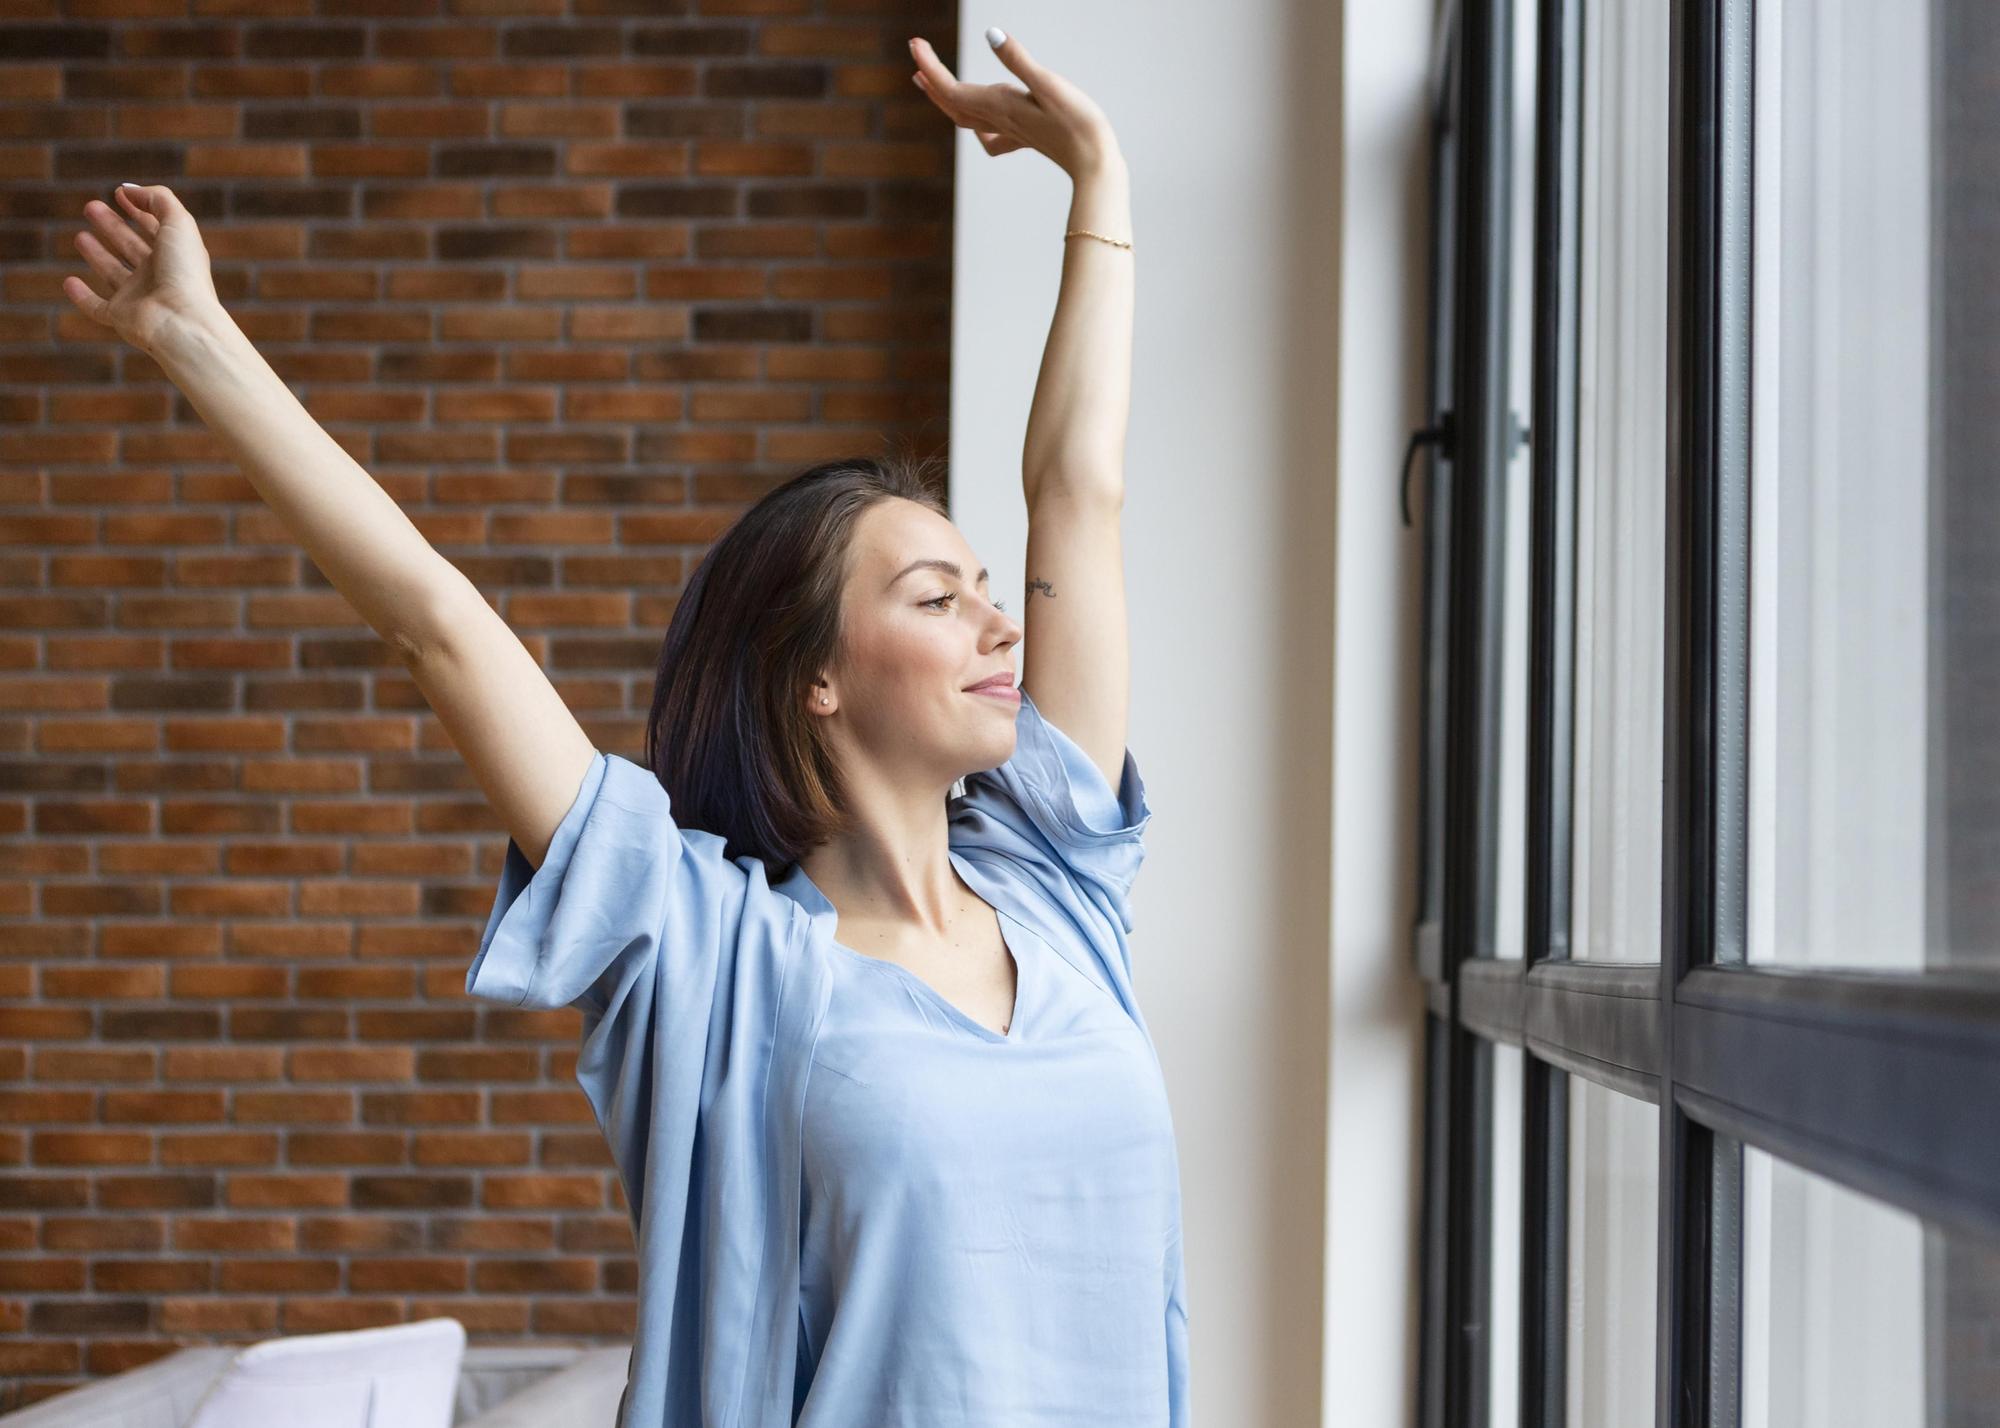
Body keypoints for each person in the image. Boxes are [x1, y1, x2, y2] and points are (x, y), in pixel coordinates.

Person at [64, 25, 1188, 1427]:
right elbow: (438, 622)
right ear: (815, 680)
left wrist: (1101, 179)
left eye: (988, 591)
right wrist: (195, 339)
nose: (1000, 621)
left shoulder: (1061, 886)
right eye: (938, 595)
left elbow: (1077, 486)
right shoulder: (706, 952)